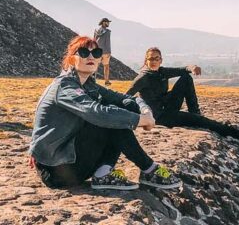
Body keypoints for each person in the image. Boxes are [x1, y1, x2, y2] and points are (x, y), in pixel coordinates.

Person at [30, 35, 182, 192]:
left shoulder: (88, 84)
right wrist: (139, 120)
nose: (91, 57)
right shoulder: (65, 86)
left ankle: (104, 173)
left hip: (69, 162)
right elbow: (96, 113)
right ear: (71, 60)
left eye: (96, 53)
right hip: (57, 171)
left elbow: (125, 98)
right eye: (83, 52)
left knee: (115, 112)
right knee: (108, 115)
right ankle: (149, 169)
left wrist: (146, 112)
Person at [127, 47, 239, 142]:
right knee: (200, 121)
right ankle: (237, 134)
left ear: (161, 60)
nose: (153, 61)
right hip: (160, 117)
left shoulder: (162, 72)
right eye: (150, 59)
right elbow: (126, 97)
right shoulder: (142, 78)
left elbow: (184, 69)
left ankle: (195, 112)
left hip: (168, 106)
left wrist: (193, 67)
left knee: (186, 78)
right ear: (146, 60)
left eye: (156, 58)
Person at [93, 18, 112, 85]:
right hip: (106, 51)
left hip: (97, 50)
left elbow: (94, 40)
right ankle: (106, 81)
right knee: (106, 66)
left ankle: (93, 80)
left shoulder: (96, 30)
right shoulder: (107, 32)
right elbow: (107, 42)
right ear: (104, 22)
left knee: (95, 66)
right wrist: (109, 51)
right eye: (108, 22)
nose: (109, 23)